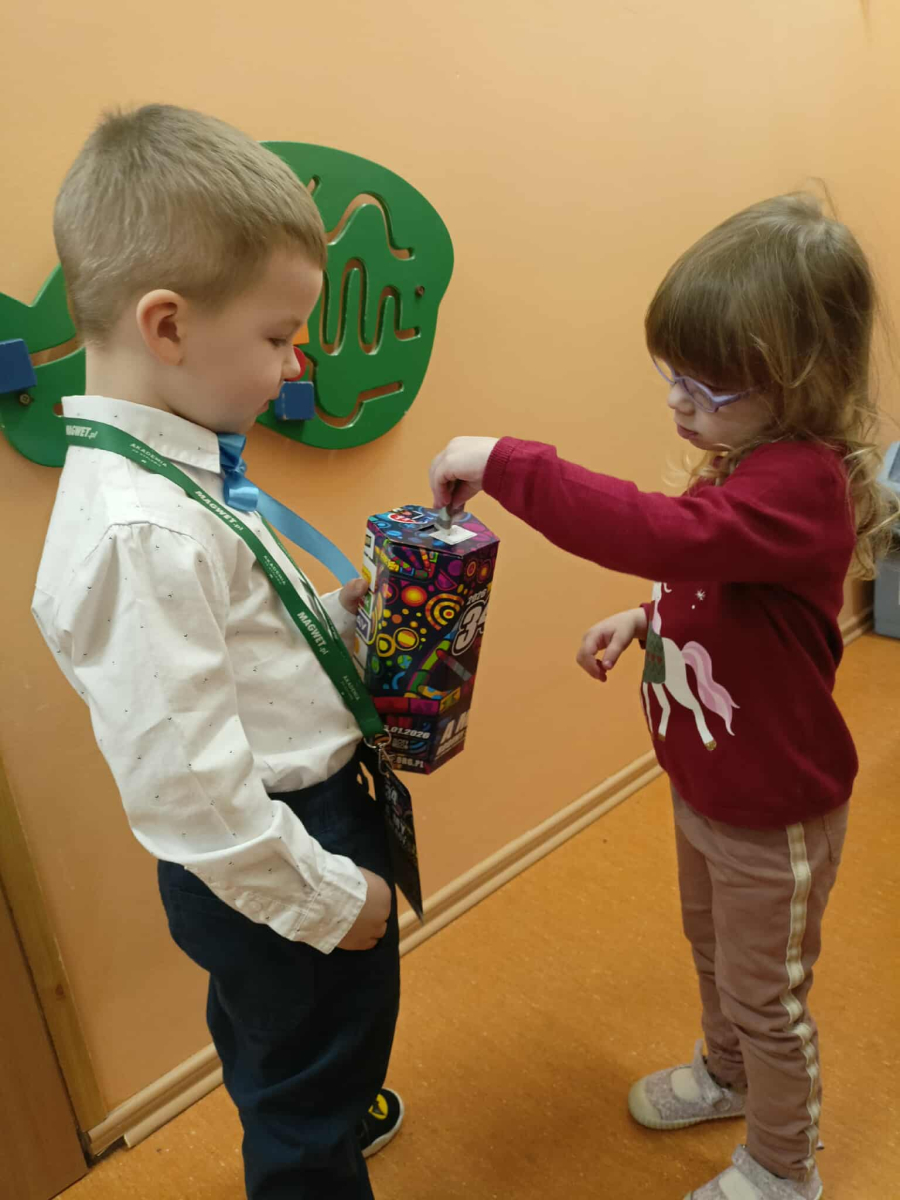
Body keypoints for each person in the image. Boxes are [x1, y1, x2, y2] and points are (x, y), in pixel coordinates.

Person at [428, 194, 898, 1200]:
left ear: (800, 380)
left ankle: (784, 1169)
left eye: (708, 386)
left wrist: (509, 463)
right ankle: (727, 1077)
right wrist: (646, 619)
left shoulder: (801, 483)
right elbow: (716, 575)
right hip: (708, 777)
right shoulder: (744, 455)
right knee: (713, 950)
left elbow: (666, 534)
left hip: (775, 803)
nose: (681, 403)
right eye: (671, 376)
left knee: (767, 997)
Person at [33, 104, 403, 1200]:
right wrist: (334, 901)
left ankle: (323, 1119)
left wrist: (337, 621)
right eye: (280, 338)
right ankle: (311, 1154)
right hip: (279, 844)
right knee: (304, 1085)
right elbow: (194, 793)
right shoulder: (141, 531)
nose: (294, 366)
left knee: (289, 1051)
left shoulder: (181, 474)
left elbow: (235, 652)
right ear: (168, 327)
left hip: (283, 834)